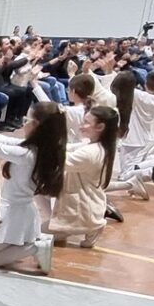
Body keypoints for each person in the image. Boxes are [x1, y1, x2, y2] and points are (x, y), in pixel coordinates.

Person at [0, 102, 66, 271]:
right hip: (19, 209)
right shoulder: (39, 148)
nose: (23, 123)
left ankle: (36, 248)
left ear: (36, 126)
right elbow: (5, 140)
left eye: (26, 120)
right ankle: (34, 244)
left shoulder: (27, 154)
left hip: (14, 211)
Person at [48, 106, 119, 248]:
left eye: (86, 122)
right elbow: (69, 148)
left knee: (41, 235)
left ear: (100, 127)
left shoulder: (91, 153)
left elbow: (60, 160)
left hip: (83, 208)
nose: (81, 125)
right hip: (86, 200)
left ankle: (93, 226)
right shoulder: (96, 145)